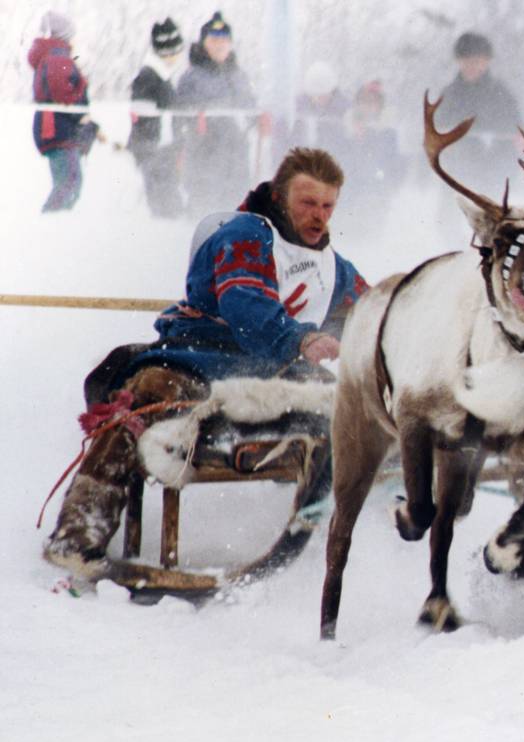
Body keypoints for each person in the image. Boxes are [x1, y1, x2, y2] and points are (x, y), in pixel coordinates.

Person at [44, 148, 369, 578]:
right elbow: (247, 306)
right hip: (201, 355)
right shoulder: (246, 235)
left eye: (328, 206)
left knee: (358, 412)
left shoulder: (334, 267)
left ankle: (368, 526)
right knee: (146, 401)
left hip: (277, 372)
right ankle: (77, 537)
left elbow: (370, 310)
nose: (319, 216)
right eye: (307, 203)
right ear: (278, 197)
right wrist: (302, 338)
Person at [175, 11, 256, 216]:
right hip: (204, 145)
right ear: (204, 43)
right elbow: (180, 109)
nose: (219, 45)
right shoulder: (192, 76)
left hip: (234, 148)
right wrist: (196, 116)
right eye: (213, 39)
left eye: (224, 40)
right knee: (205, 201)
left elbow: (248, 103)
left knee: (236, 198)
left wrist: (257, 117)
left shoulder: (237, 74)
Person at [434, 32, 523, 193]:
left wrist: (504, 173)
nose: (471, 66)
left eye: (476, 61)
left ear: (487, 62)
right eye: (466, 61)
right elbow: (436, 131)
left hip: (493, 177)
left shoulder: (502, 95)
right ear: (458, 62)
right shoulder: (449, 94)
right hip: (455, 177)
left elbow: (515, 134)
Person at [28, 11, 97, 212]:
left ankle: (58, 221)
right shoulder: (58, 59)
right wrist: (81, 115)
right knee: (70, 182)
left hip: (57, 128)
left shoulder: (54, 57)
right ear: (65, 35)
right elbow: (63, 95)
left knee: (69, 182)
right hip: (59, 129)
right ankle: (52, 222)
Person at [128, 18, 186, 217]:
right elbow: (144, 118)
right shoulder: (150, 76)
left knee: (168, 203)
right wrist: (159, 149)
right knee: (166, 207)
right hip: (155, 151)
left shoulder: (161, 75)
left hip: (160, 151)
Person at [335, 80, 407, 232]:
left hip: (375, 195)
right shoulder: (345, 130)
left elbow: (396, 165)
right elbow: (338, 159)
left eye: (372, 103)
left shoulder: (387, 133)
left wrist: (388, 185)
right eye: (364, 102)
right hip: (347, 195)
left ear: (379, 106)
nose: (367, 107)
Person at [280, 61, 349, 154]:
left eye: (325, 94)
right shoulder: (298, 109)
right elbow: (286, 138)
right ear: (309, 93)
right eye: (317, 95)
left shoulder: (343, 109)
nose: (321, 99)